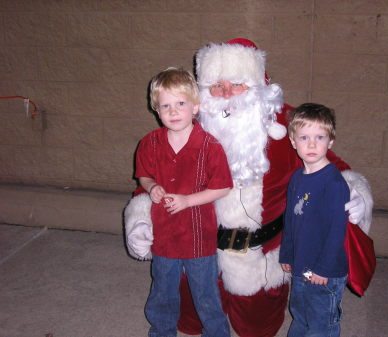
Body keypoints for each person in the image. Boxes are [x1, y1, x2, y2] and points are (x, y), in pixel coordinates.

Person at [125, 39, 373, 337]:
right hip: (197, 249)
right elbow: (154, 181)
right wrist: (140, 220)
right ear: (203, 95)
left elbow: (334, 166)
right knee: (189, 322)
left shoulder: (288, 126)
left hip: (262, 260)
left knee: (259, 330)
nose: (227, 94)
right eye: (218, 86)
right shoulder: (187, 124)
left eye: (238, 84)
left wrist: (354, 193)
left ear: (258, 87)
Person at [132, 67, 232, 337]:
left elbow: (222, 187)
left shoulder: (210, 146)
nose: (173, 111)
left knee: (206, 296)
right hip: (164, 236)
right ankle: (162, 331)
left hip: (199, 238)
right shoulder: (150, 143)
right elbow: (143, 175)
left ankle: (217, 333)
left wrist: (188, 200)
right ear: (156, 109)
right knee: (163, 292)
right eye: (165, 106)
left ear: (196, 106)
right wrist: (152, 186)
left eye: (180, 104)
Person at [280, 103, 350, 337]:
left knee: (321, 323)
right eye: (304, 137)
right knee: (300, 314)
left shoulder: (334, 183)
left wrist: (323, 268)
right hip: (301, 265)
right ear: (293, 141)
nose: (311, 144)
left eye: (319, 137)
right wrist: (287, 254)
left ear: (330, 141)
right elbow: (290, 220)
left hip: (324, 271)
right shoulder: (297, 178)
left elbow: (336, 231)